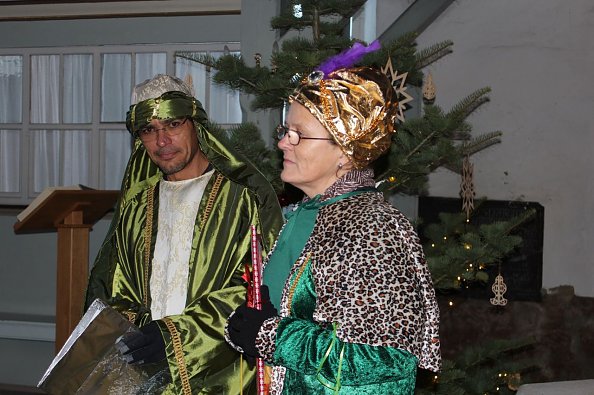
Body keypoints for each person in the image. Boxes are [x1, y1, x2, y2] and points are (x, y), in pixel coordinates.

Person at [226, 47, 441, 394]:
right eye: (284, 130)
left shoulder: (375, 228)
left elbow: (385, 358)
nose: (283, 142)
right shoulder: (303, 214)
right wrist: (252, 323)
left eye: (298, 133)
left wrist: (271, 334)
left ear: (344, 149)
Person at [85, 74, 283, 394]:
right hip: (149, 376)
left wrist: (175, 335)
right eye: (149, 130)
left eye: (173, 125)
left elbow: (258, 290)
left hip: (222, 373)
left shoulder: (242, 198)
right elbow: (118, 290)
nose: (162, 141)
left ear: (196, 125)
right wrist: (131, 333)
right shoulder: (138, 206)